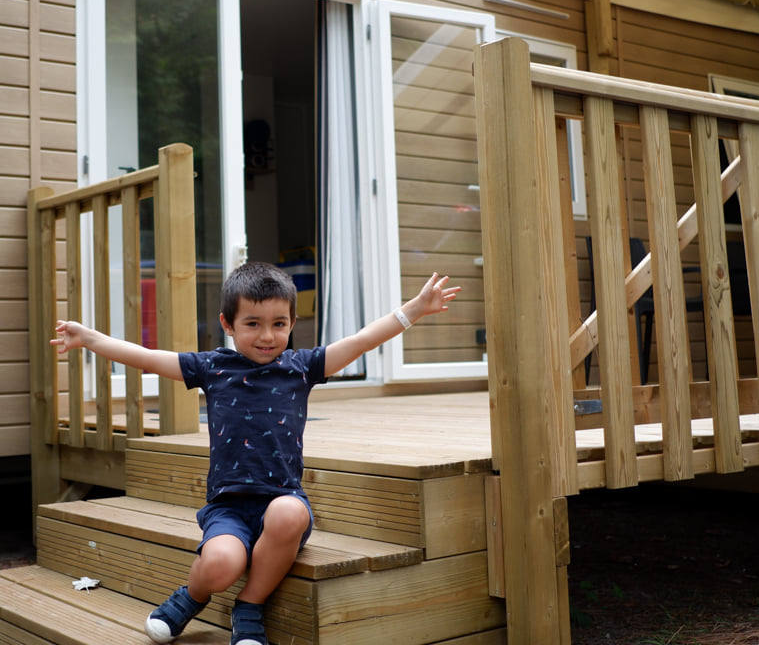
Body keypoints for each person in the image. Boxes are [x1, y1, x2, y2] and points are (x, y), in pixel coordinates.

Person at [51, 262, 459, 645]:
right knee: (220, 565)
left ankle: (250, 607)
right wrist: (89, 339)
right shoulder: (212, 367)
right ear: (228, 324)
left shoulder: (302, 366)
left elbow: (362, 340)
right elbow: (147, 358)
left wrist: (414, 310)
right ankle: (192, 596)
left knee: (290, 512)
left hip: (279, 501)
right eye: (253, 324)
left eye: (279, 324)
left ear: (292, 324)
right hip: (228, 508)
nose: (267, 336)